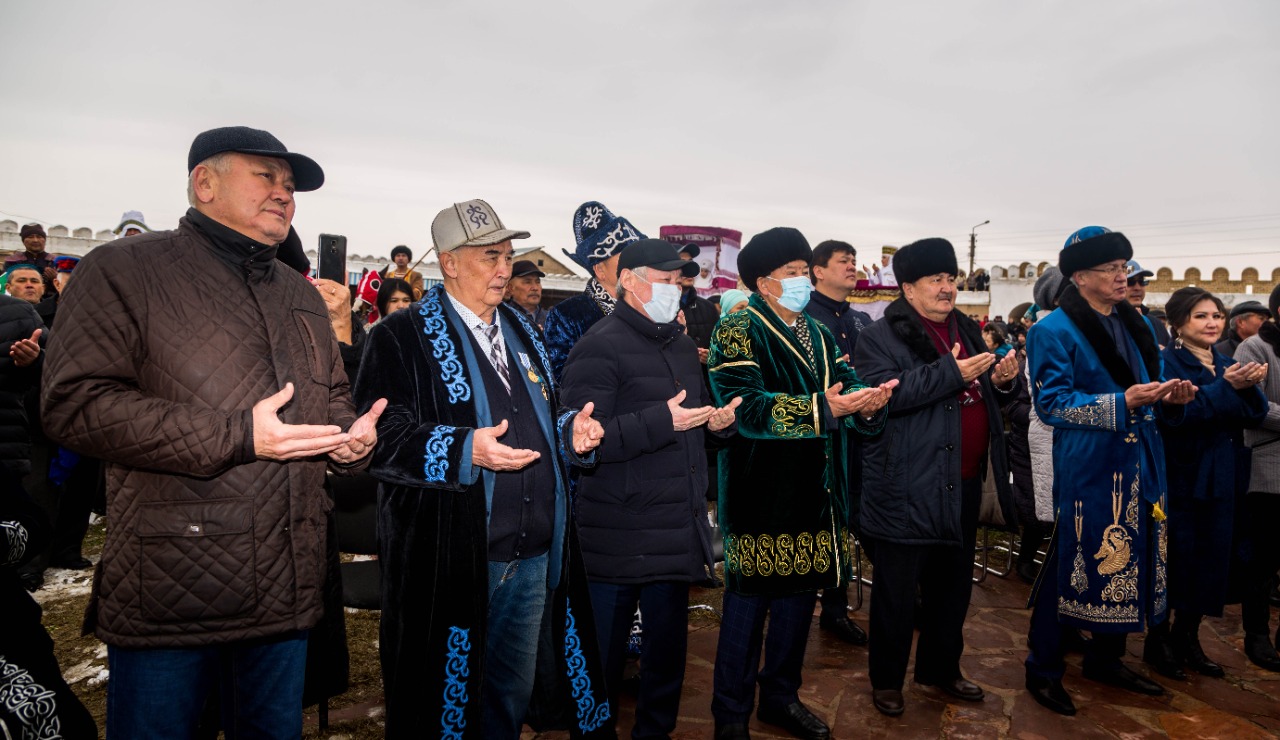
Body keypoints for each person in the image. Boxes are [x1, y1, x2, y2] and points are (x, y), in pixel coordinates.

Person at [41, 125, 386, 738]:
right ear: (205, 183)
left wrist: (346, 442)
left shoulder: (301, 297)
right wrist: (236, 435)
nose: (285, 193)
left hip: (288, 590)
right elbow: (75, 404)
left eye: (290, 185)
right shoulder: (124, 270)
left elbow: (327, 399)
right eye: (267, 177)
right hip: (174, 588)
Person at [352, 198, 610, 739]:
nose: (503, 268)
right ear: (448, 262)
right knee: (444, 700)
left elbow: (541, 410)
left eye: (507, 255)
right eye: (489, 255)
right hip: (452, 557)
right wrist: (462, 448)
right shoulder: (399, 336)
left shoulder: (522, 328)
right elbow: (381, 439)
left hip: (535, 551)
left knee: (507, 697)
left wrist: (570, 433)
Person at [708, 227, 895, 740]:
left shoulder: (818, 332)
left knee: (796, 605)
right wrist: (823, 408)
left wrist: (867, 401)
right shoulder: (737, 329)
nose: (801, 281)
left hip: (816, 494)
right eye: (791, 274)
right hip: (760, 495)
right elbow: (744, 407)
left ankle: (780, 697)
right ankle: (729, 715)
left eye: (801, 271)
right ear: (763, 283)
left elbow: (844, 385)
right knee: (747, 613)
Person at [561, 238, 740, 738]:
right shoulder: (598, 345)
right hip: (617, 535)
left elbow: (688, 423)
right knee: (601, 668)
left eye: (680, 282)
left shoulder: (682, 346)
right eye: (665, 281)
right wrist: (663, 421)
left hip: (673, 531)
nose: (676, 291)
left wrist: (718, 424)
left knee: (665, 665)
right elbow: (583, 444)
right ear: (631, 282)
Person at [1023, 226, 1195, 717]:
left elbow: (1150, 391)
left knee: (1133, 558)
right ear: (1080, 277)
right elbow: (1053, 405)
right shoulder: (1050, 330)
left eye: (1126, 267)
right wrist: (1121, 402)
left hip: (1144, 458)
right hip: (1093, 467)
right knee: (1073, 565)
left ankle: (1105, 657)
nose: (1124, 277)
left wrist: (1172, 397)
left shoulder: (1138, 323)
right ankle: (1043, 668)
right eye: (1113, 269)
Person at [854, 238, 1020, 717]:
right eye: (936, 280)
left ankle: (941, 669)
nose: (948, 288)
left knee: (953, 588)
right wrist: (952, 372)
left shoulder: (966, 328)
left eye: (951, 278)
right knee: (897, 593)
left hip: (963, 482)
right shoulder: (879, 336)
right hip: (906, 485)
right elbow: (887, 395)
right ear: (908, 288)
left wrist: (1003, 383)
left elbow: (985, 398)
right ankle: (887, 680)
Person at [1144, 287, 1267, 681]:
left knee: (1212, 558)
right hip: (1183, 476)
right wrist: (1227, 388)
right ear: (1178, 323)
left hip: (1226, 475)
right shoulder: (1165, 364)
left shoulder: (1227, 362)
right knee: (1177, 558)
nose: (1212, 322)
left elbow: (1255, 413)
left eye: (1216, 315)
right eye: (1200, 316)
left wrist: (1249, 387)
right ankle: (1158, 639)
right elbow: (1177, 417)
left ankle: (1188, 635)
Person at [803, 239, 873, 647]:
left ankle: (839, 607)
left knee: (859, 515)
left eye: (853, 260)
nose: (851, 266)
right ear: (818, 270)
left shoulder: (862, 320)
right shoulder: (803, 317)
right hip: (820, 436)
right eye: (842, 261)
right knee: (827, 523)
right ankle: (831, 607)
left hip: (861, 435)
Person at [545, 201, 645, 383]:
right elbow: (560, 380)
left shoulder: (648, 306)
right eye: (625, 257)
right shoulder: (568, 316)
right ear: (600, 270)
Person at [1236, 284, 1280, 672]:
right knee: (1262, 561)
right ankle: (1257, 635)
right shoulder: (1256, 348)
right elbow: (1252, 406)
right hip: (1269, 469)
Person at [675, 243, 720, 359]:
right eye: (682, 263)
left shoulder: (708, 308)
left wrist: (711, 357)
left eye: (690, 262)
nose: (689, 269)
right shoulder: (657, 308)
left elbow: (719, 349)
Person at [4, 224, 58, 298]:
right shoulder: (12, 261)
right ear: (23, 241)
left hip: (50, 303)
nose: (35, 240)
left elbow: (67, 287)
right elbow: (6, 284)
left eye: (39, 237)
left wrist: (56, 278)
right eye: (30, 237)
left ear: (44, 240)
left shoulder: (56, 261)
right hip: (19, 301)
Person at [1125, 259, 1171, 347]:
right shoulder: (1109, 323)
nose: (1137, 288)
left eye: (1142, 281)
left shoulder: (1157, 324)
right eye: (1130, 282)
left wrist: (1164, 354)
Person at [505, 258, 549, 328]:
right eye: (527, 282)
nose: (535, 288)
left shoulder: (551, 319)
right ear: (510, 288)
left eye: (538, 282)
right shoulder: (503, 317)